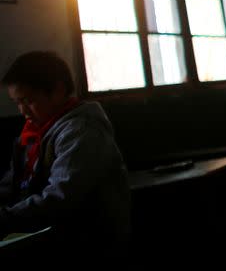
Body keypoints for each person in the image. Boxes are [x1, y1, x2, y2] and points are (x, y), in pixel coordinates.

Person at [0, 51, 130, 255]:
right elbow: (13, 183)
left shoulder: (81, 130)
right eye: (18, 102)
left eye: (28, 100)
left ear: (58, 90)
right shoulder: (35, 132)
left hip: (88, 247)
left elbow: (60, 198)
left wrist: (5, 220)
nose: (22, 111)